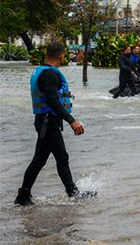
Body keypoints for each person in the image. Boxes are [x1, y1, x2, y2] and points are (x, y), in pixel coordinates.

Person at [15, 43, 94, 206]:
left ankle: (72, 193)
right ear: (61, 56)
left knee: (62, 157)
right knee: (39, 160)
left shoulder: (42, 71)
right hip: (47, 122)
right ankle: (22, 195)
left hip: (49, 121)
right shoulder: (50, 74)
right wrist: (72, 121)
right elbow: (53, 101)